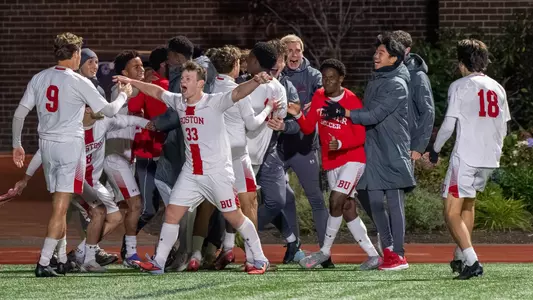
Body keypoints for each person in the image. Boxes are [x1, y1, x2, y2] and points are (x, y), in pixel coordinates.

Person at [113, 61, 272, 275]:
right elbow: (157, 92)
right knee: (172, 214)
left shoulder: (214, 102)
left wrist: (255, 81)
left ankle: (260, 259)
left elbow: (238, 93)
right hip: (191, 173)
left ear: (200, 84)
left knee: (234, 216)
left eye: (188, 79)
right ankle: (159, 262)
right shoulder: (179, 102)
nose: (183, 83)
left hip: (217, 173)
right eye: (183, 78)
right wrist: (132, 82)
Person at [11, 32, 132, 277]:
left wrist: (17, 144)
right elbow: (108, 111)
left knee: (61, 205)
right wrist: (124, 95)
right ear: (76, 54)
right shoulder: (78, 81)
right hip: (69, 147)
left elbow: (19, 114)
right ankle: (45, 261)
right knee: (60, 207)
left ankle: (62, 258)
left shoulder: (40, 77)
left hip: (47, 147)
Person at [11, 106, 153, 272]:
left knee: (115, 218)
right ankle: (83, 259)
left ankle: (78, 253)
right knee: (96, 213)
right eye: (96, 103)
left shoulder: (103, 122)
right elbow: (41, 152)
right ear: (86, 109)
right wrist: (25, 179)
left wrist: (148, 123)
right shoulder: (69, 127)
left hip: (92, 182)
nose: (102, 106)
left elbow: (127, 120)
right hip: (72, 180)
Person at [322, 33, 415, 271]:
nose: (375, 55)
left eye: (381, 53)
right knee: (373, 201)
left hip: (392, 149)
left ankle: (399, 254)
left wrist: (344, 112)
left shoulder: (396, 84)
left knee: (394, 204)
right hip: (374, 148)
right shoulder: (378, 79)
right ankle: (387, 250)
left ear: (393, 58)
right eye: (376, 52)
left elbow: (374, 115)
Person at [287, 59, 379, 270]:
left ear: (341, 79)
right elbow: (309, 128)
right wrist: (299, 114)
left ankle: (324, 251)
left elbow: (361, 136)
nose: (327, 82)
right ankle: (374, 256)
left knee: (335, 199)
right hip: (331, 162)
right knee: (347, 208)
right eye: (324, 78)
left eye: (331, 78)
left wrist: (341, 142)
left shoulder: (351, 100)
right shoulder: (318, 96)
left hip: (353, 159)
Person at [433, 39, 509, 280]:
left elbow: (448, 125)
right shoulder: (497, 87)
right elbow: (504, 128)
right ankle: (460, 256)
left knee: (450, 210)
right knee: (468, 204)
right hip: (490, 157)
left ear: (461, 63)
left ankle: (473, 261)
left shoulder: (460, 86)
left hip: (466, 156)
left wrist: (434, 149)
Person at [210, 45, 279, 270]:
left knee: (216, 206)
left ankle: (206, 253)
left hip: (215, 156)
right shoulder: (239, 90)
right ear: (235, 65)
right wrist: (268, 109)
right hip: (238, 155)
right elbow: (252, 124)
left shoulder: (208, 88)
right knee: (249, 204)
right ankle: (253, 258)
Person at [269, 38, 328, 265]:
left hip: (304, 147)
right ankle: (293, 244)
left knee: (315, 198)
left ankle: (325, 251)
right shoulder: (274, 75)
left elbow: (323, 98)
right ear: (282, 55)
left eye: (298, 50)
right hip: (277, 148)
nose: (294, 55)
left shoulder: (313, 75)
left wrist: (311, 107)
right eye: (289, 51)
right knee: (281, 198)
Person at [104, 50, 145, 267]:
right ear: (124, 72)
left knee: (115, 213)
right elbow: (143, 90)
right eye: (136, 66)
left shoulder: (131, 90)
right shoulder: (122, 89)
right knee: (136, 204)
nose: (142, 70)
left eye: (142, 65)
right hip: (115, 157)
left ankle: (85, 249)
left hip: (124, 158)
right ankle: (130, 254)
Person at [128, 46, 169, 234]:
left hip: (157, 152)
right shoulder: (162, 84)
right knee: (154, 209)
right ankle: (128, 247)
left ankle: (129, 248)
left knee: (153, 209)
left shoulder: (155, 84)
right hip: (152, 152)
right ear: (164, 64)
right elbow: (134, 106)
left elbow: (134, 106)